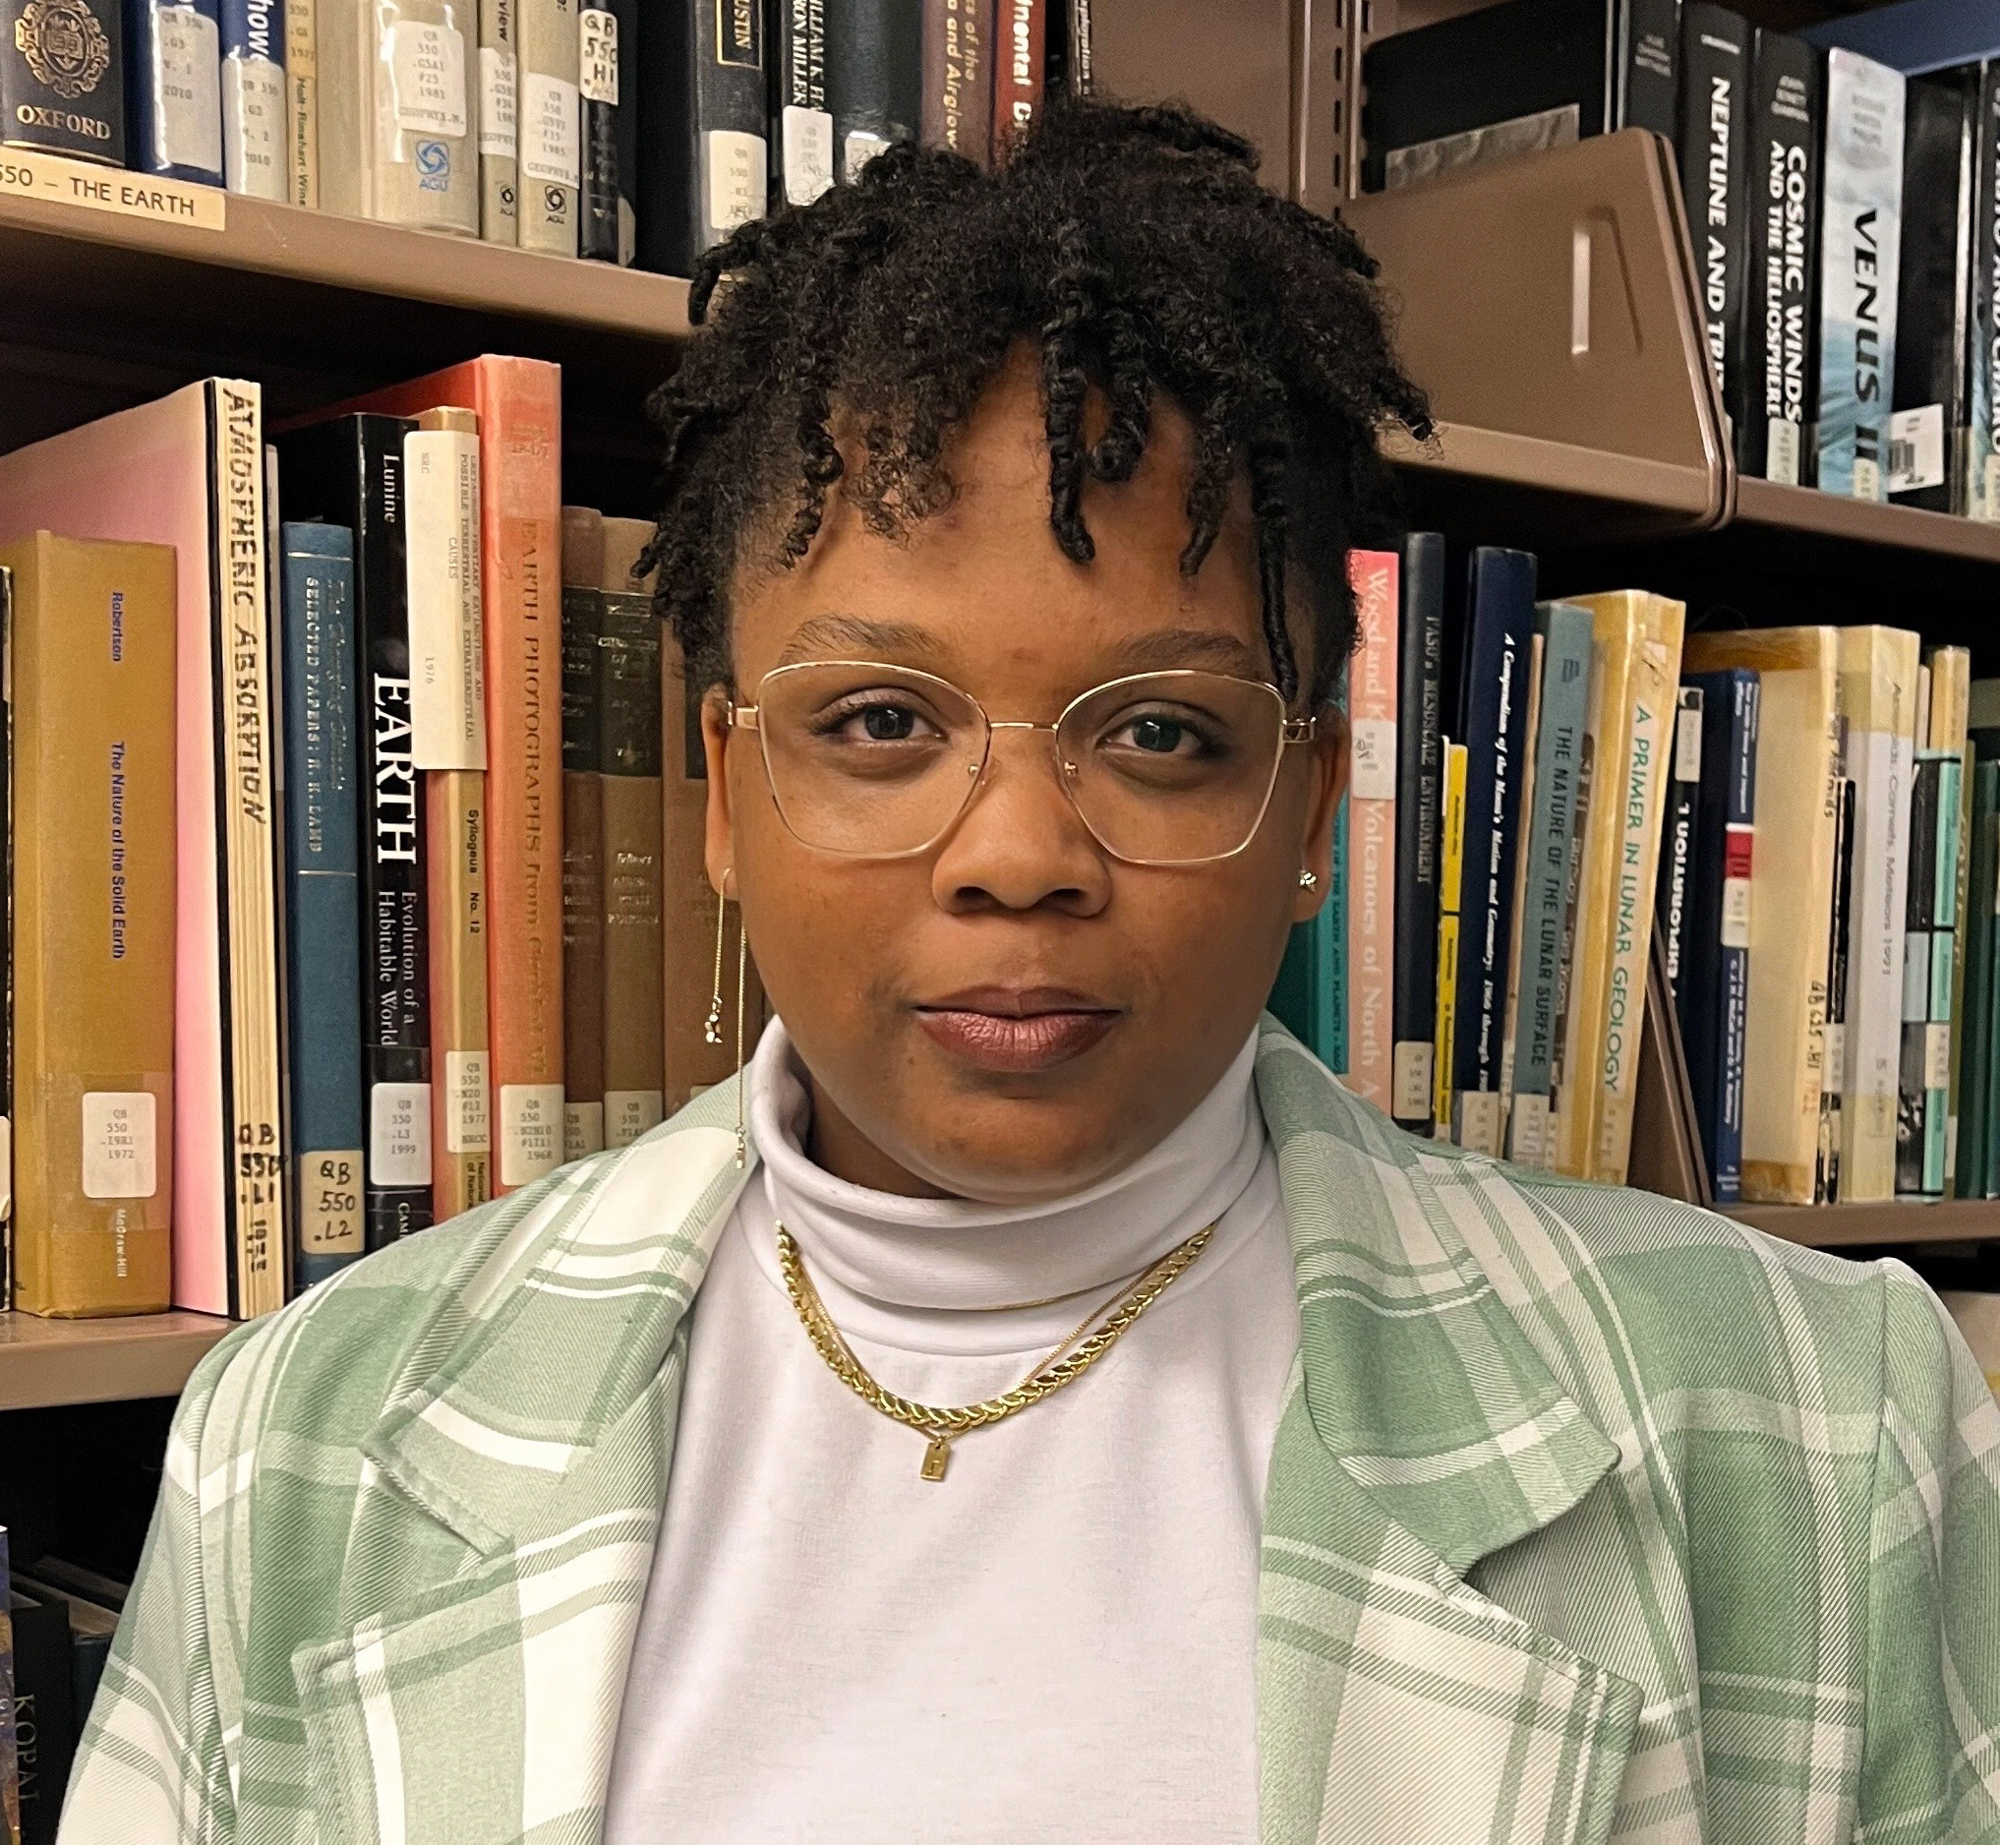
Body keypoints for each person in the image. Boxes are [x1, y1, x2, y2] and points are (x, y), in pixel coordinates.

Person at [63, 99, 1999, 1845]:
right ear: (725, 794)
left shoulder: (1812, 1410)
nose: (1013, 856)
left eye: (1158, 730)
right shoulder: (310, 1424)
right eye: (882, 719)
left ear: (1308, 799)